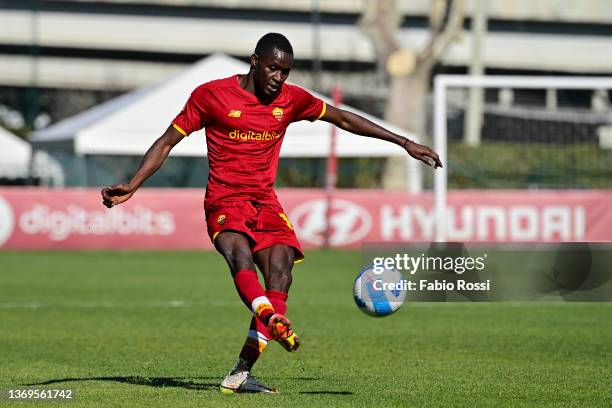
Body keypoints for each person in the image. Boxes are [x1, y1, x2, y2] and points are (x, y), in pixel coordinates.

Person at [101, 32, 442, 394]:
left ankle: (240, 373)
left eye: (286, 71)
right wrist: (135, 183)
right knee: (239, 256)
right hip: (224, 200)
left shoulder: (291, 100)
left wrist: (404, 142)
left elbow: (343, 118)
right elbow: (168, 140)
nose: (279, 78)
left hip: (265, 203)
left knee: (281, 275)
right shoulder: (211, 96)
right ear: (254, 61)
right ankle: (269, 317)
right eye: (273, 68)